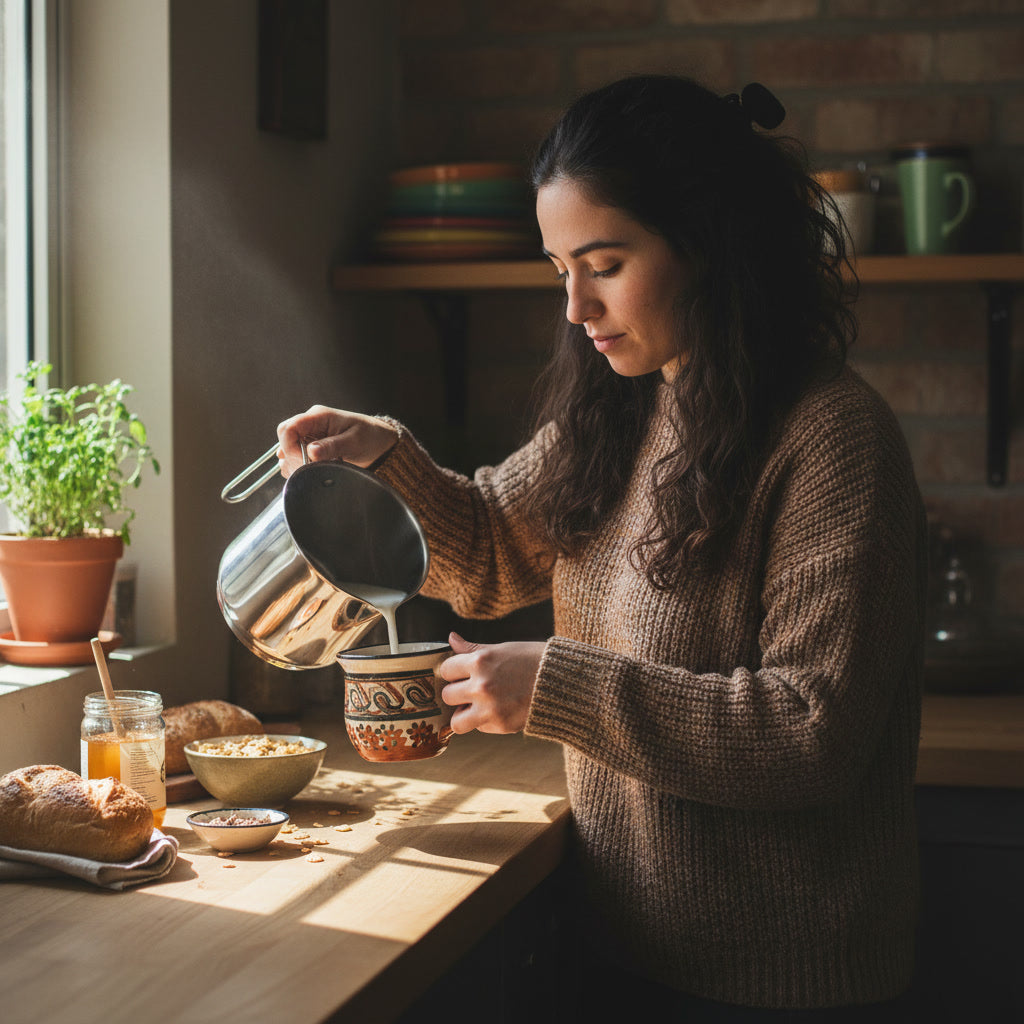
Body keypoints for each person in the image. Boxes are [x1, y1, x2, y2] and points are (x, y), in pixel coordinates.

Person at [278, 75, 927, 1021]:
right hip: (619, 939)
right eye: (558, 270)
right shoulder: (627, 405)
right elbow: (490, 550)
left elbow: (810, 734)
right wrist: (387, 454)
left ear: (709, 245)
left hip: (784, 981)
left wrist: (557, 687)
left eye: (605, 262)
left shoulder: (832, 439)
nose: (577, 307)